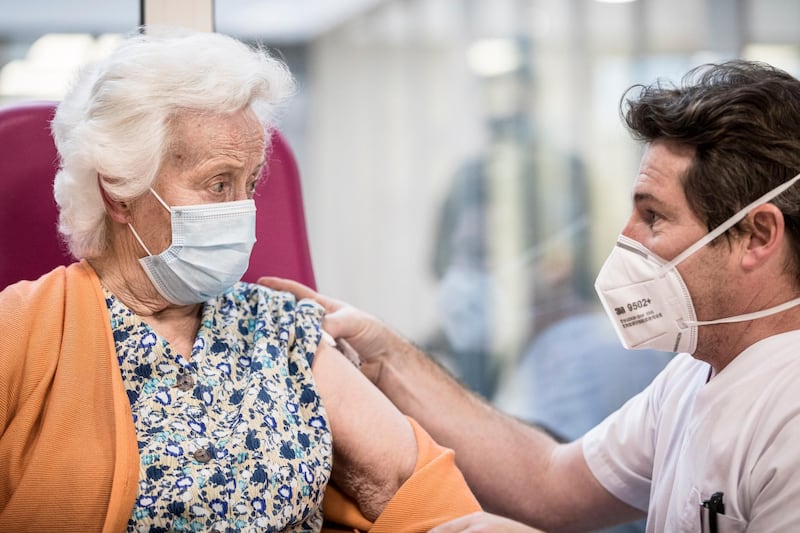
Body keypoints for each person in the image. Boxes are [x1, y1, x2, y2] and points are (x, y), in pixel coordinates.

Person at [262, 59, 800, 532]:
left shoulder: (788, 417)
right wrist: (386, 358)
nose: (626, 238)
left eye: (654, 217)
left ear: (756, 236)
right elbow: (548, 483)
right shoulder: (696, 372)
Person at [0, 29, 481, 532]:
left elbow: (415, 485)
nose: (243, 211)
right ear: (120, 192)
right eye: (218, 183)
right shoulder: (25, 329)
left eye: (249, 184)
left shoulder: (281, 326)